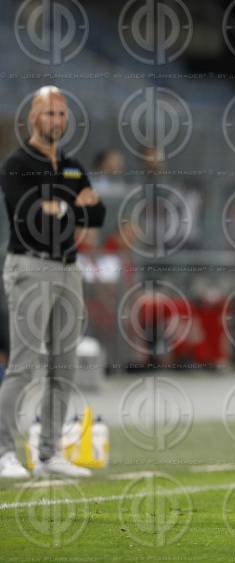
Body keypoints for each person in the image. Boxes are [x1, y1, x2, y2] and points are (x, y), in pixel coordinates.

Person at [0, 86, 106, 478]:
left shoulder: (72, 164)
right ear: (32, 118)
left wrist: (62, 207)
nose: (56, 121)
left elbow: (95, 217)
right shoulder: (17, 164)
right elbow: (31, 218)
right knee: (24, 365)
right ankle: (3, 452)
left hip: (67, 267)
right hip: (30, 265)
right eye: (48, 113)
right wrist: (70, 207)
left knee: (64, 366)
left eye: (61, 114)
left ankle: (48, 453)